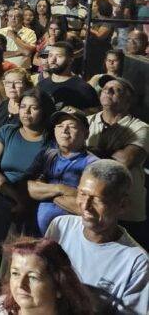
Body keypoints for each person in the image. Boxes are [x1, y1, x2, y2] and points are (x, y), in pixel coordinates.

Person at [46, 160, 149, 315]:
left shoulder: (137, 263)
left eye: (97, 199)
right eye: (82, 193)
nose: (85, 205)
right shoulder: (61, 226)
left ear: (122, 205)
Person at [0, 88, 57, 294]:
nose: (26, 112)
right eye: (23, 107)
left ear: (44, 112)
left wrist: (25, 200)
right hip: (3, 200)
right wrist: (14, 196)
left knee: (24, 259)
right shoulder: (8, 132)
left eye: (34, 108)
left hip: (34, 206)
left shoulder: (51, 142)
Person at [85, 76, 149, 246]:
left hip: (127, 211)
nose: (108, 90)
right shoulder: (87, 121)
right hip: (94, 207)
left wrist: (87, 153)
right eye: (106, 88)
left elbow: (125, 160)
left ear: (128, 101)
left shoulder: (140, 128)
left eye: (116, 89)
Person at [27, 107, 99, 234]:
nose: (64, 130)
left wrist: (46, 192)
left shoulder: (93, 165)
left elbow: (87, 207)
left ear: (86, 134)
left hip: (72, 237)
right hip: (38, 235)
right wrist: (61, 189)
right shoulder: (47, 155)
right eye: (59, 126)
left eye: (71, 126)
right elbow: (29, 188)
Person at [0, 237, 94, 315]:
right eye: (15, 274)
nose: (21, 285)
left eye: (32, 277)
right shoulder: (0, 308)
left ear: (59, 286)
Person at [36, 41, 99, 111]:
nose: (53, 60)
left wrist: (79, 113)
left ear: (70, 60)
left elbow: (94, 114)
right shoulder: (41, 85)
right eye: (50, 55)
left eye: (59, 56)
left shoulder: (82, 88)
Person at [0, 68, 32, 145]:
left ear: (27, 86)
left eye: (17, 82)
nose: (12, 86)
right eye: (8, 83)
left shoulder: (31, 109)